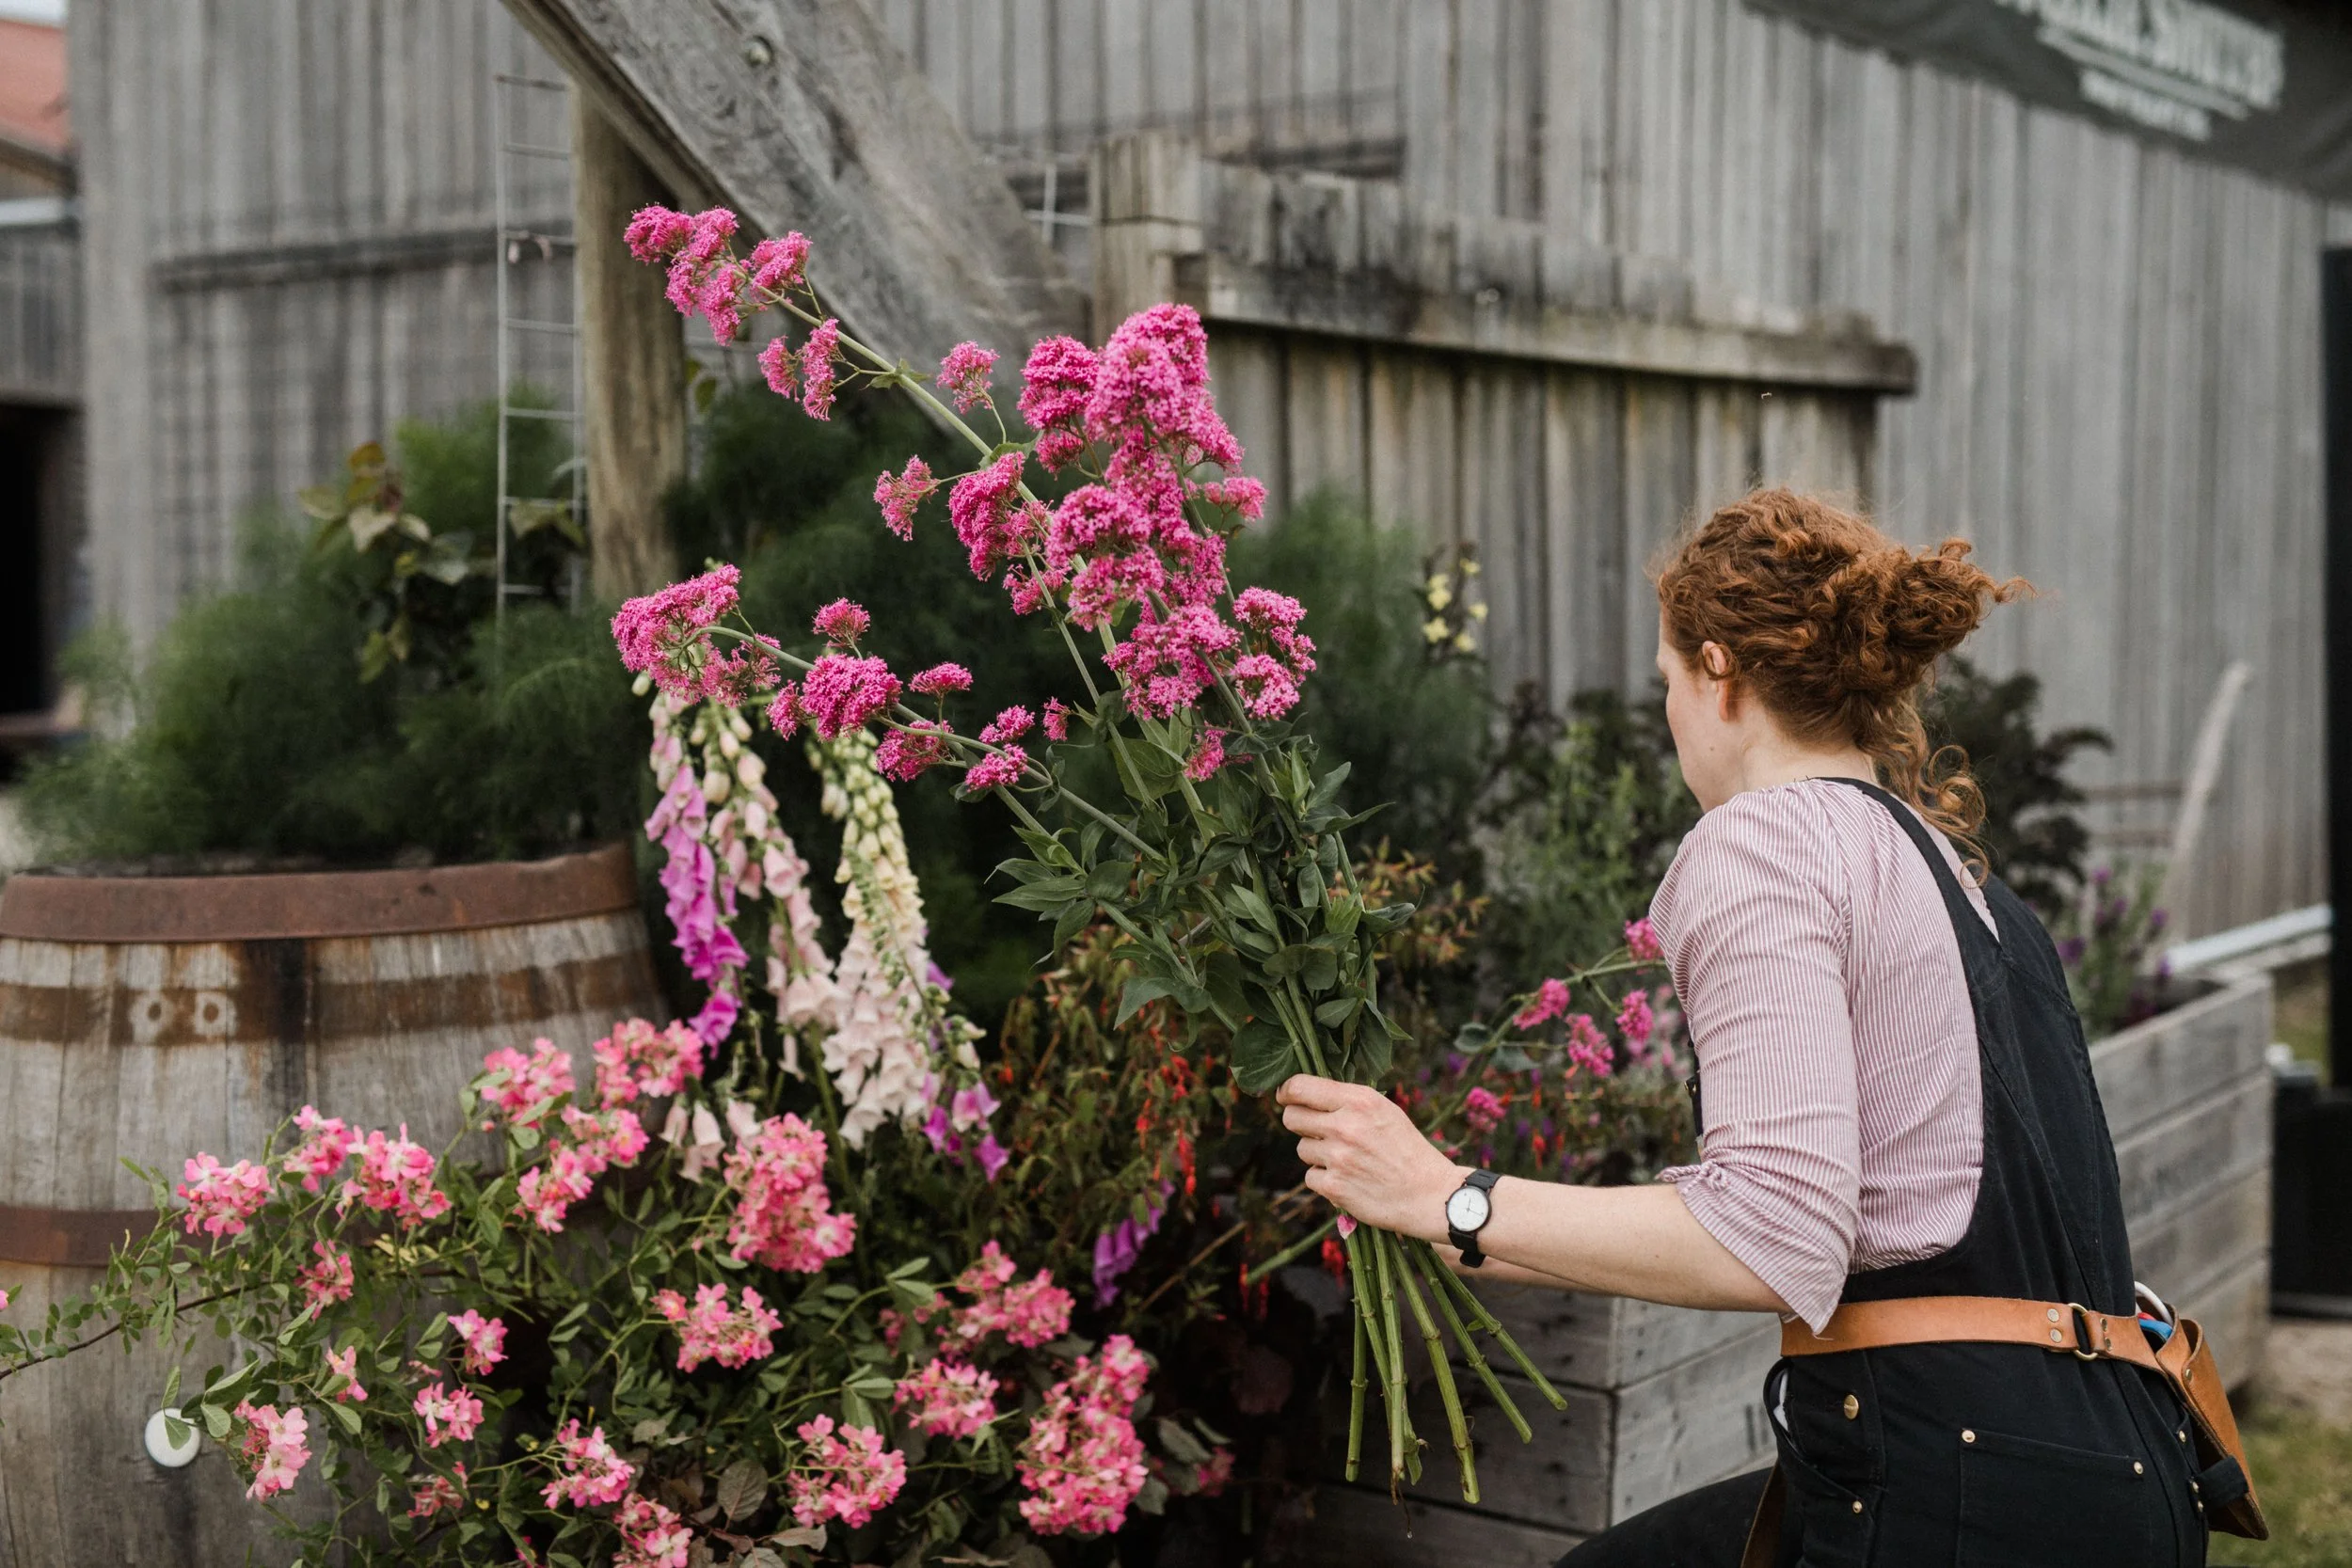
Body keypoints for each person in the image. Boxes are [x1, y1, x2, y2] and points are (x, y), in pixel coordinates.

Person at [1278, 489, 2211, 1566]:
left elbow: (1775, 1232)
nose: (1669, 715)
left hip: (1958, 1494)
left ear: (1717, 672)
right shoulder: (1961, 878)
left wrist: (1450, 1196)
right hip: (2125, 1475)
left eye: (1666, 683)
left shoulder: (1763, 843)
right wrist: (1499, 1234)